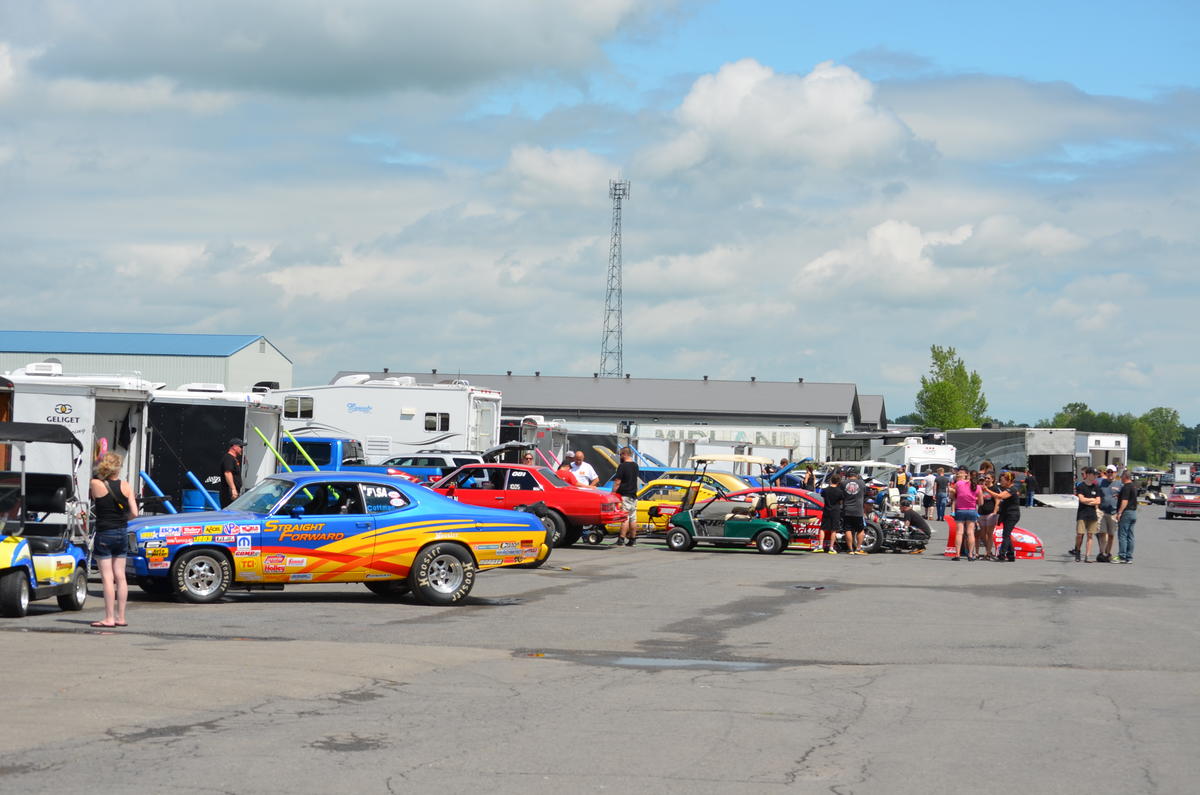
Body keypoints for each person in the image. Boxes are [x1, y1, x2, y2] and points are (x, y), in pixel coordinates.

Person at [89, 453, 138, 628]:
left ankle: (109, 618)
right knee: (121, 577)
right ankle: (121, 617)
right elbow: (135, 513)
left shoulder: (96, 484)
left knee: (107, 578)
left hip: (105, 533)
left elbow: (95, 499)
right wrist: (123, 520)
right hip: (122, 532)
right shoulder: (126, 486)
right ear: (118, 468)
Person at [1072, 468, 1102, 562]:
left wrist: (1088, 500)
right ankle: (1077, 550)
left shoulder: (1096, 487)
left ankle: (1087, 555)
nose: (1095, 476)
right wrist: (1091, 500)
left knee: (1090, 535)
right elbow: (1081, 499)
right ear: (1088, 475)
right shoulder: (1081, 486)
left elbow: (1098, 501)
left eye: (1096, 474)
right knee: (1080, 534)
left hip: (1092, 514)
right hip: (1082, 513)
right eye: (1094, 474)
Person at [610, 447, 639, 545]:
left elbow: (617, 481)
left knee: (624, 518)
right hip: (633, 496)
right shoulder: (635, 466)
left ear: (624, 454)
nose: (620, 457)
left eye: (620, 454)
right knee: (633, 518)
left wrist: (613, 493)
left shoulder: (622, 466)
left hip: (625, 495)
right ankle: (633, 539)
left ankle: (621, 539)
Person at [951, 468, 980, 561]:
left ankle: (957, 554)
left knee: (960, 532)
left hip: (960, 509)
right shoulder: (977, 487)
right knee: (970, 532)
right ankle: (971, 554)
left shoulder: (959, 483)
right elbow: (981, 502)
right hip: (971, 510)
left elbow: (953, 496)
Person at [992, 471, 1021, 562]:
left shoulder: (1012, 489)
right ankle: (1011, 555)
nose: (1002, 482)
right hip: (1007, 514)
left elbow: (1000, 496)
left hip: (1012, 514)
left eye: (1003, 480)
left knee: (1006, 535)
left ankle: (1002, 554)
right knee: (1006, 535)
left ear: (1009, 481)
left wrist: (986, 490)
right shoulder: (1006, 488)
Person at [815, 472, 845, 553]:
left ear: (831, 480)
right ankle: (831, 547)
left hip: (827, 509)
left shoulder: (825, 490)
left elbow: (823, 496)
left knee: (823, 528)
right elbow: (841, 501)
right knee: (834, 529)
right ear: (838, 482)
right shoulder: (840, 491)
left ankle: (820, 546)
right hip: (836, 511)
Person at [1095, 464, 1120, 563]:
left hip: (1113, 513)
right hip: (1102, 512)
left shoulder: (1119, 484)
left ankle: (1108, 552)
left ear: (1115, 473)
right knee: (1102, 533)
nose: (1110, 474)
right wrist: (1096, 508)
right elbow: (1096, 494)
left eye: (1112, 472)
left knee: (1111, 535)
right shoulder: (1101, 482)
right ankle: (1102, 553)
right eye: (1108, 472)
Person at [841, 468, 867, 555]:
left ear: (848, 475)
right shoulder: (862, 483)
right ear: (857, 475)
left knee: (847, 529)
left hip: (847, 509)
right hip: (858, 510)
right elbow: (865, 493)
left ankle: (850, 549)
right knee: (860, 530)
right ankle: (858, 548)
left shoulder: (843, 483)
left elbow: (841, 495)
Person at [1115, 469, 1138, 563]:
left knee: (1123, 535)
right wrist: (1119, 496)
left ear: (1125, 477)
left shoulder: (1126, 487)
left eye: (1121, 476)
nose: (1120, 478)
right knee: (1130, 535)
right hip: (1133, 512)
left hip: (1126, 512)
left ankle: (1122, 556)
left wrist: (1119, 512)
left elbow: (1125, 501)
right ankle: (1129, 557)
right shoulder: (1133, 486)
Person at [977, 472, 999, 560]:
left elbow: (997, 501)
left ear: (993, 479)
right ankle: (988, 551)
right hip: (981, 512)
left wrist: (994, 512)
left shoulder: (994, 488)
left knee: (989, 533)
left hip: (990, 512)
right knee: (983, 534)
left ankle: (988, 553)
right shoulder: (982, 488)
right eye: (985, 478)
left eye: (988, 478)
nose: (986, 480)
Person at [219, 438, 245, 507]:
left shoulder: (233, 459)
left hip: (234, 492)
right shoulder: (228, 458)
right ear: (234, 447)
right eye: (241, 447)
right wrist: (233, 489)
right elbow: (227, 473)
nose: (242, 449)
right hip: (229, 493)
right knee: (229, 514)